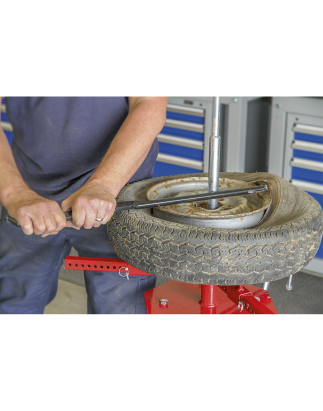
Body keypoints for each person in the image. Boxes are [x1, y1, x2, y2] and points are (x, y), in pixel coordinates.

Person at [0, 96, 168, 315]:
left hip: (117, 200)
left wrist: (105, 185)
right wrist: (15, 193)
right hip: (29, 200)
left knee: (121, 308)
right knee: (13, 304)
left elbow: (149, 102)